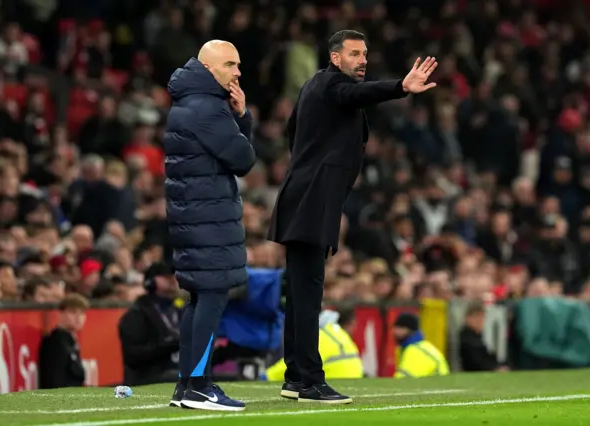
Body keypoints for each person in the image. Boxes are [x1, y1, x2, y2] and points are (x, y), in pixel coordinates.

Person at [267, 29, 438, 403]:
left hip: (304, 196)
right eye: (354, 54)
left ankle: (296, 377)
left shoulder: (314, 87)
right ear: (335, 58)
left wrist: (306, 161)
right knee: (308, 293)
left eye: (365, 54)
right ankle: (310, 380)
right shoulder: (332, 85)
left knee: (299, 294)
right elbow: (354, 94)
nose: (362, 60)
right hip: (313, 200)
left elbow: (292, 129)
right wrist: (401, 87)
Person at [163, 39, 256, 411]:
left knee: (198, 299)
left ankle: (186, 386)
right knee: (211, 297)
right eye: (231, 65)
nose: (237, 72)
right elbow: (244, 158)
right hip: (207, 220)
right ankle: (200, 385)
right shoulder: (206, 109)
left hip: (193, 219)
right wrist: (243, 116)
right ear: (210, 69)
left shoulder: (187, 103)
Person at [118, 262, 184, 387]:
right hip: (149, 378)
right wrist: (172, 345)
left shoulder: (178, 310)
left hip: (177, 372)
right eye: (166, 276)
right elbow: (133, 356)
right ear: (150, 282)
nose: (173, 280)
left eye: (174, 276)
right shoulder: (136, 314)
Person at [264, 308, 363, 384]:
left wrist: (265, 376)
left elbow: (291, 365)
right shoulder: (340, 334)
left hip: (333, 384)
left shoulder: (319, 336)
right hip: (356, 382)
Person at [38, 294, 89, 389]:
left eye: (82, 313)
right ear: (61, 313)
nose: (78, 318)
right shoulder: (55, 343)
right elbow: (54, 383)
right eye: (73, 312)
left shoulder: (71, 342)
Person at [393, 313, 450, 378]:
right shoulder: (422, 346)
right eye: (396, 328)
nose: (396, 331)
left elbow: (403, 380)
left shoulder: (414, 350)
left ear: (411, 330)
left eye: (401, 328)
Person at [459, 302, 509, 372]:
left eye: (482, 317)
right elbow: (477, 361)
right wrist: (495, 368)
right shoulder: (467, 338)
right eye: (476, 317)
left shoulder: (477, 335)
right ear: (467, 318)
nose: (480, 321)